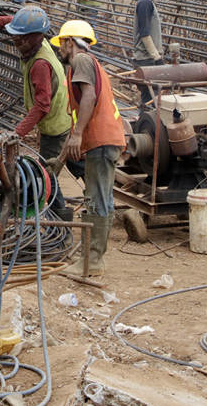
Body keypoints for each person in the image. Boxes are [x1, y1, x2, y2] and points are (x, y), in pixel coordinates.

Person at [0, 6, 71, 216]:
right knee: (59, 166)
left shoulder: (40, 64)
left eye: (21, 38)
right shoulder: (31, 37)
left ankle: (60, 215)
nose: (16, 40)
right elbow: (8, 21)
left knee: (46, 174)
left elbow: (42, 105)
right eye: (15, 35)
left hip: (56, 125)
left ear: (36, 37)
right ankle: (62, 209)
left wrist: (17, 133)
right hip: (61, 118)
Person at [52, 19, 125, 276]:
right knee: (99, 198)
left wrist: (79, 135)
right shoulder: (86, 65)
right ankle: (90, 259)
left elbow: (90, 98)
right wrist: (60, 159)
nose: (60, 48)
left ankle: (92, 262)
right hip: (103, 140)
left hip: (100, 140)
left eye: (62, 43)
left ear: (70, 42)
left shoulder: (81, 61)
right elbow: (78, 116)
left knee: (97, 200)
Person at [132, 0, 169, 110]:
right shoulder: (145, 3)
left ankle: (146, 125)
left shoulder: (147, 3)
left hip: (147, 60)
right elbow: (145, 34)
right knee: (150, 100)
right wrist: (157, 58)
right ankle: (146, 127)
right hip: (146, 61)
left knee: (150, 98)